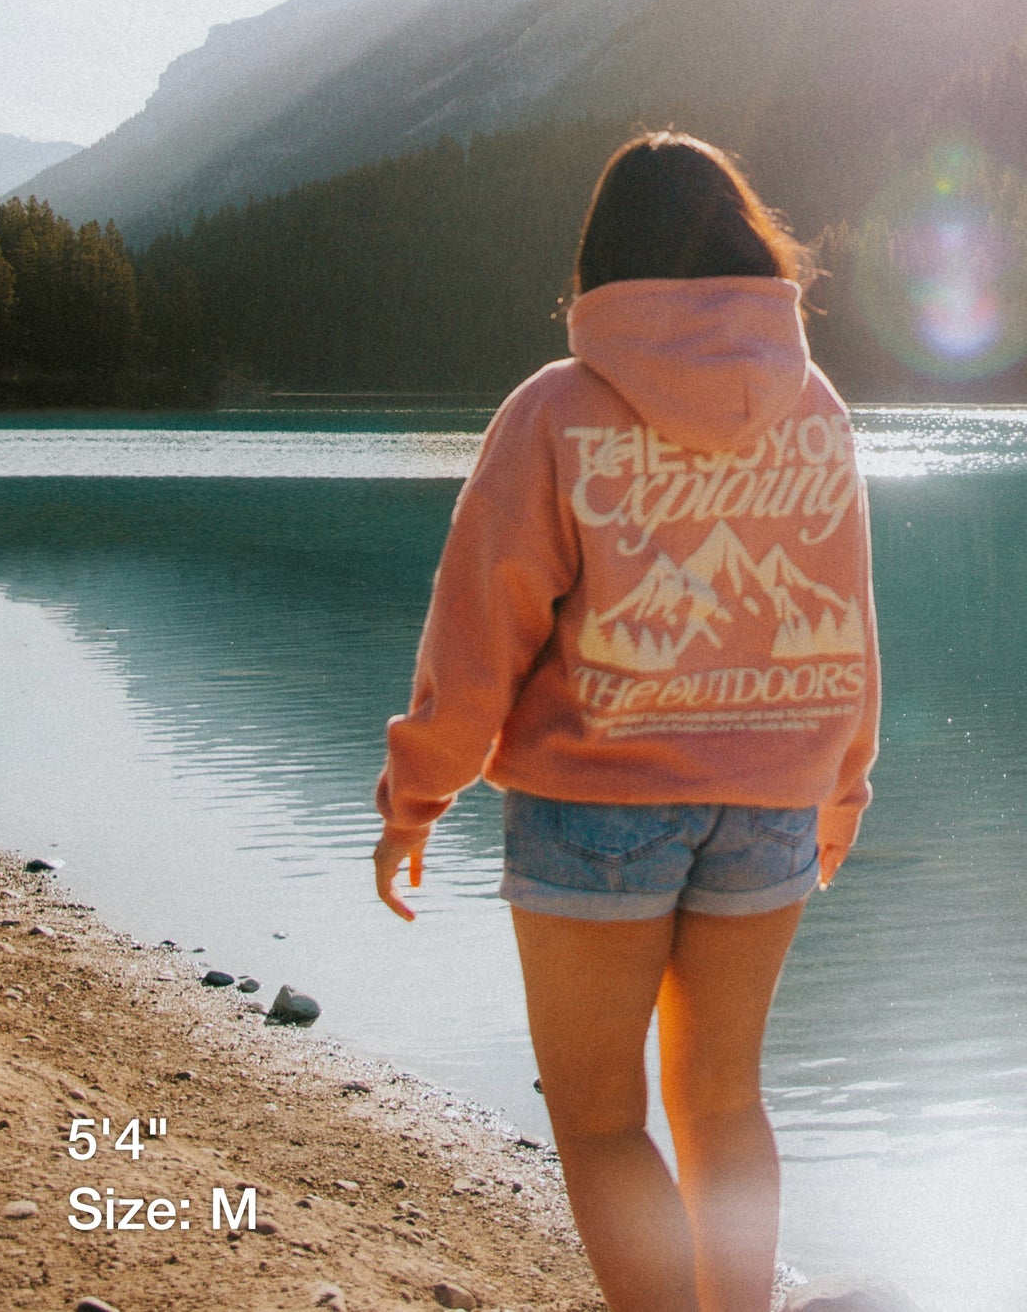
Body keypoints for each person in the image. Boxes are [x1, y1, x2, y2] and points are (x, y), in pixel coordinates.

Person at [373, 131, 881, 1312]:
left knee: (601, 1118)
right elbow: (843, 617)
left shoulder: (555, 410)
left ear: (603, 258)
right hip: (768, 802)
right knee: (723, 1101)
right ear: (748, 247)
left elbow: (481, 625)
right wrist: (841, 787)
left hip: (595, 805)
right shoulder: (813, 408)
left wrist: (417, 793)